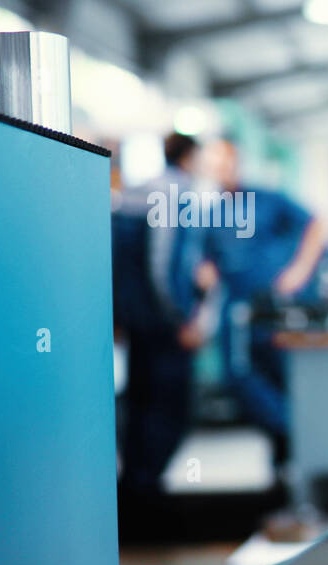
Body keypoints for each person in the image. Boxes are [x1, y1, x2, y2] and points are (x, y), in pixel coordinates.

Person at [114, 132, 219, 534]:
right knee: (169, 409)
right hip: (166, 327)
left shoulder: (132, 194)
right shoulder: (178, 195)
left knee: (140, 407)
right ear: (190, 156)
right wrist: (183, 318)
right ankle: (146, 503)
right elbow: (165, 264)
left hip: (138, 324)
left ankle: (135, 498)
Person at [202, 137, 328, 462]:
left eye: (226, 160)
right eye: (214, 162)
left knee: (283, 377)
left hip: (275, 309)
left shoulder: (268, 199)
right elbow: (209, 262)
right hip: (236, 310)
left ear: (237, 161)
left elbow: (316, 225)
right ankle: (295, 431)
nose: (221, 168)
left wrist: (299, 271)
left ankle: (289, 462)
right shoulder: (211, 211)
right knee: (237, 377)